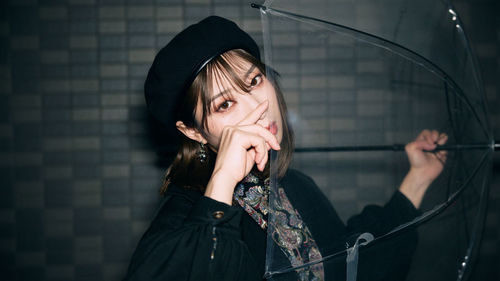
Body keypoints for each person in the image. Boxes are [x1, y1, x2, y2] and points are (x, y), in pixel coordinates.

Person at [123, 16, 448, 281]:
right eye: (224, 104)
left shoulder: (295, 185)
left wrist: (418, 178)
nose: (259, 106)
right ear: (192, 131)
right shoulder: (185, 214)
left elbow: (348, 262)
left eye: (254, 81)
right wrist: (222, 181)